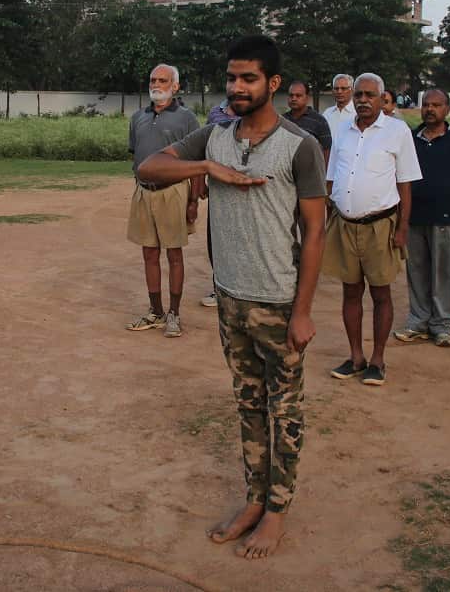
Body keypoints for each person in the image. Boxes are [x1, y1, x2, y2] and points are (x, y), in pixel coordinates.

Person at [137, 34, 326, 560]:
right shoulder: (214, 137)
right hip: (229, 298)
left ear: (274, 83)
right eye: (232, 78)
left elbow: (315, 233)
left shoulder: (299, 146)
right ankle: (253, 499)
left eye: (249, 78)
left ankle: (277, 511)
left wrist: (304, 310)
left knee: (284, 408)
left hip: (279, 301)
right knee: (248, 404)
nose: (238, 88)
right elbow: (148, 169)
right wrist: (206, 168)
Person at [324, 73, 422, 384]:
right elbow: (331, 176)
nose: (363, 101)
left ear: (382, 99)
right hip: (344, 224)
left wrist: (402, 228)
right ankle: (355, 356)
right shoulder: (343, 130)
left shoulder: (397, 131)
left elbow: (405, 184)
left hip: (381, 226)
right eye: (358, 96)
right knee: (350, 292)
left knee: (381, 294)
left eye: (369, 95)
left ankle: (377, 359)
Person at [125, 64, 201, 338]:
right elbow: (136, 154)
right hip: (144, 191)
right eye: (153, 80)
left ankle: (174, 314)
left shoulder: (186, 119)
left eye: (163, 80)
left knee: (174, 254)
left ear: (176, 86)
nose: (156, 84)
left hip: (174, 192)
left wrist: (193, 200)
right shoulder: (138, 118)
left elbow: (196, 163)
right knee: (149, 252)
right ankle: (155, 311)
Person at [395, 89, 450, 347]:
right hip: (414, 217)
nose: (430, 109)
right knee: (416, 271)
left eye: (436, 105)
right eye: (426, 105)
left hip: (445, 218)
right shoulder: (410, 139)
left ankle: (442, 325)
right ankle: (418, 320)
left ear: (447, 109)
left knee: (443, 273)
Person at [199, 100, 237, 310]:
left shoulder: (250, 114)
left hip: (242, 189)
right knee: (216, 240)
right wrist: (203, 181)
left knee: (241, 239)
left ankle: (240, 289)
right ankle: (219, 288)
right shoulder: (215, 113)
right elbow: (206, 147)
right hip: (217, 189)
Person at [285, 80, 333, 165]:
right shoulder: (282, 120)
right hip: (285, 172)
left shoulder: (319, 121)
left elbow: (327, 150)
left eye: (298, 95)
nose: (294, 98)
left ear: (307, 98)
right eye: (291, 95)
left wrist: (322, 174)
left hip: (309, 173)